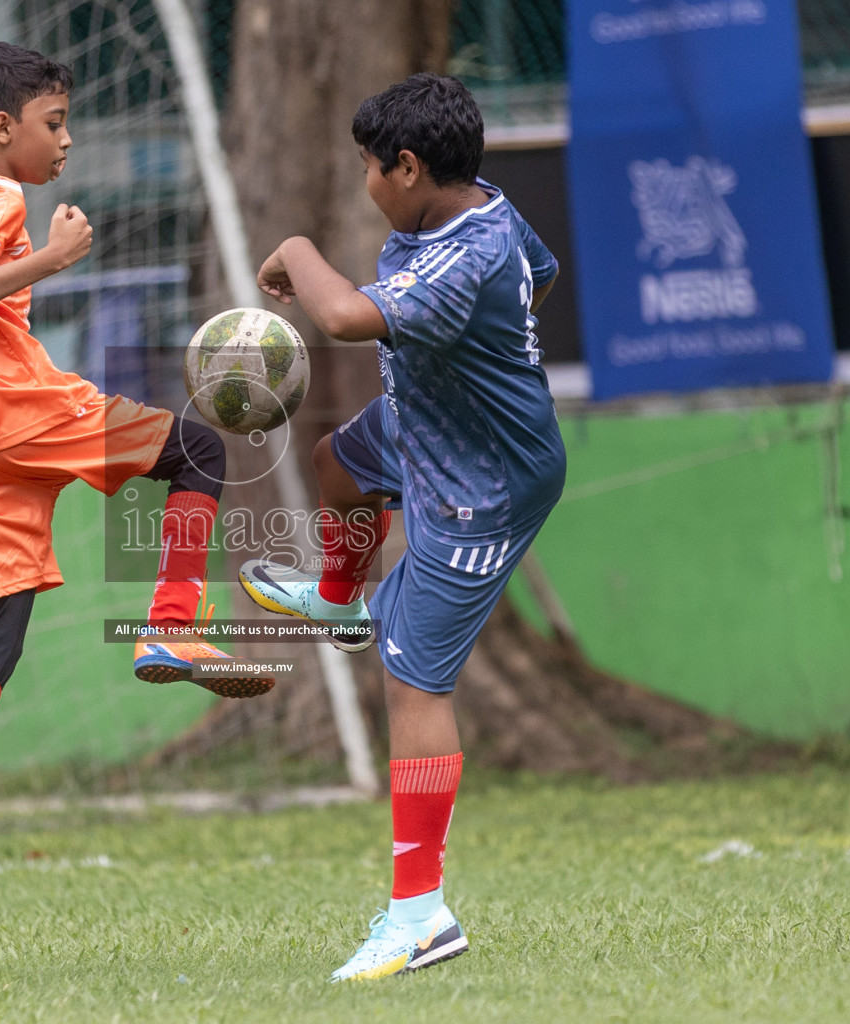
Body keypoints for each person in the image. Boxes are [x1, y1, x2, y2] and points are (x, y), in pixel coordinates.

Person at [0, 42, 270, 936]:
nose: (67, 140)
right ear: (2, 128)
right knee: (201, 453)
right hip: (18, 413)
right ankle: (174, 628)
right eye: (54, 123)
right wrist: (53, 256)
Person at [238, 73, 567, 981]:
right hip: (426, 430)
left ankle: (421, 913)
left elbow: (342, 314)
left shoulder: (461, 254)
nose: (364, 180)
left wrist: (298, 248)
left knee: (414, 678)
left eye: (367, 167)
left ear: (410, 167)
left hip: (486, 486)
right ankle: (341, 597)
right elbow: (540, 278)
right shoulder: (474, 210)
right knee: (335, 466)